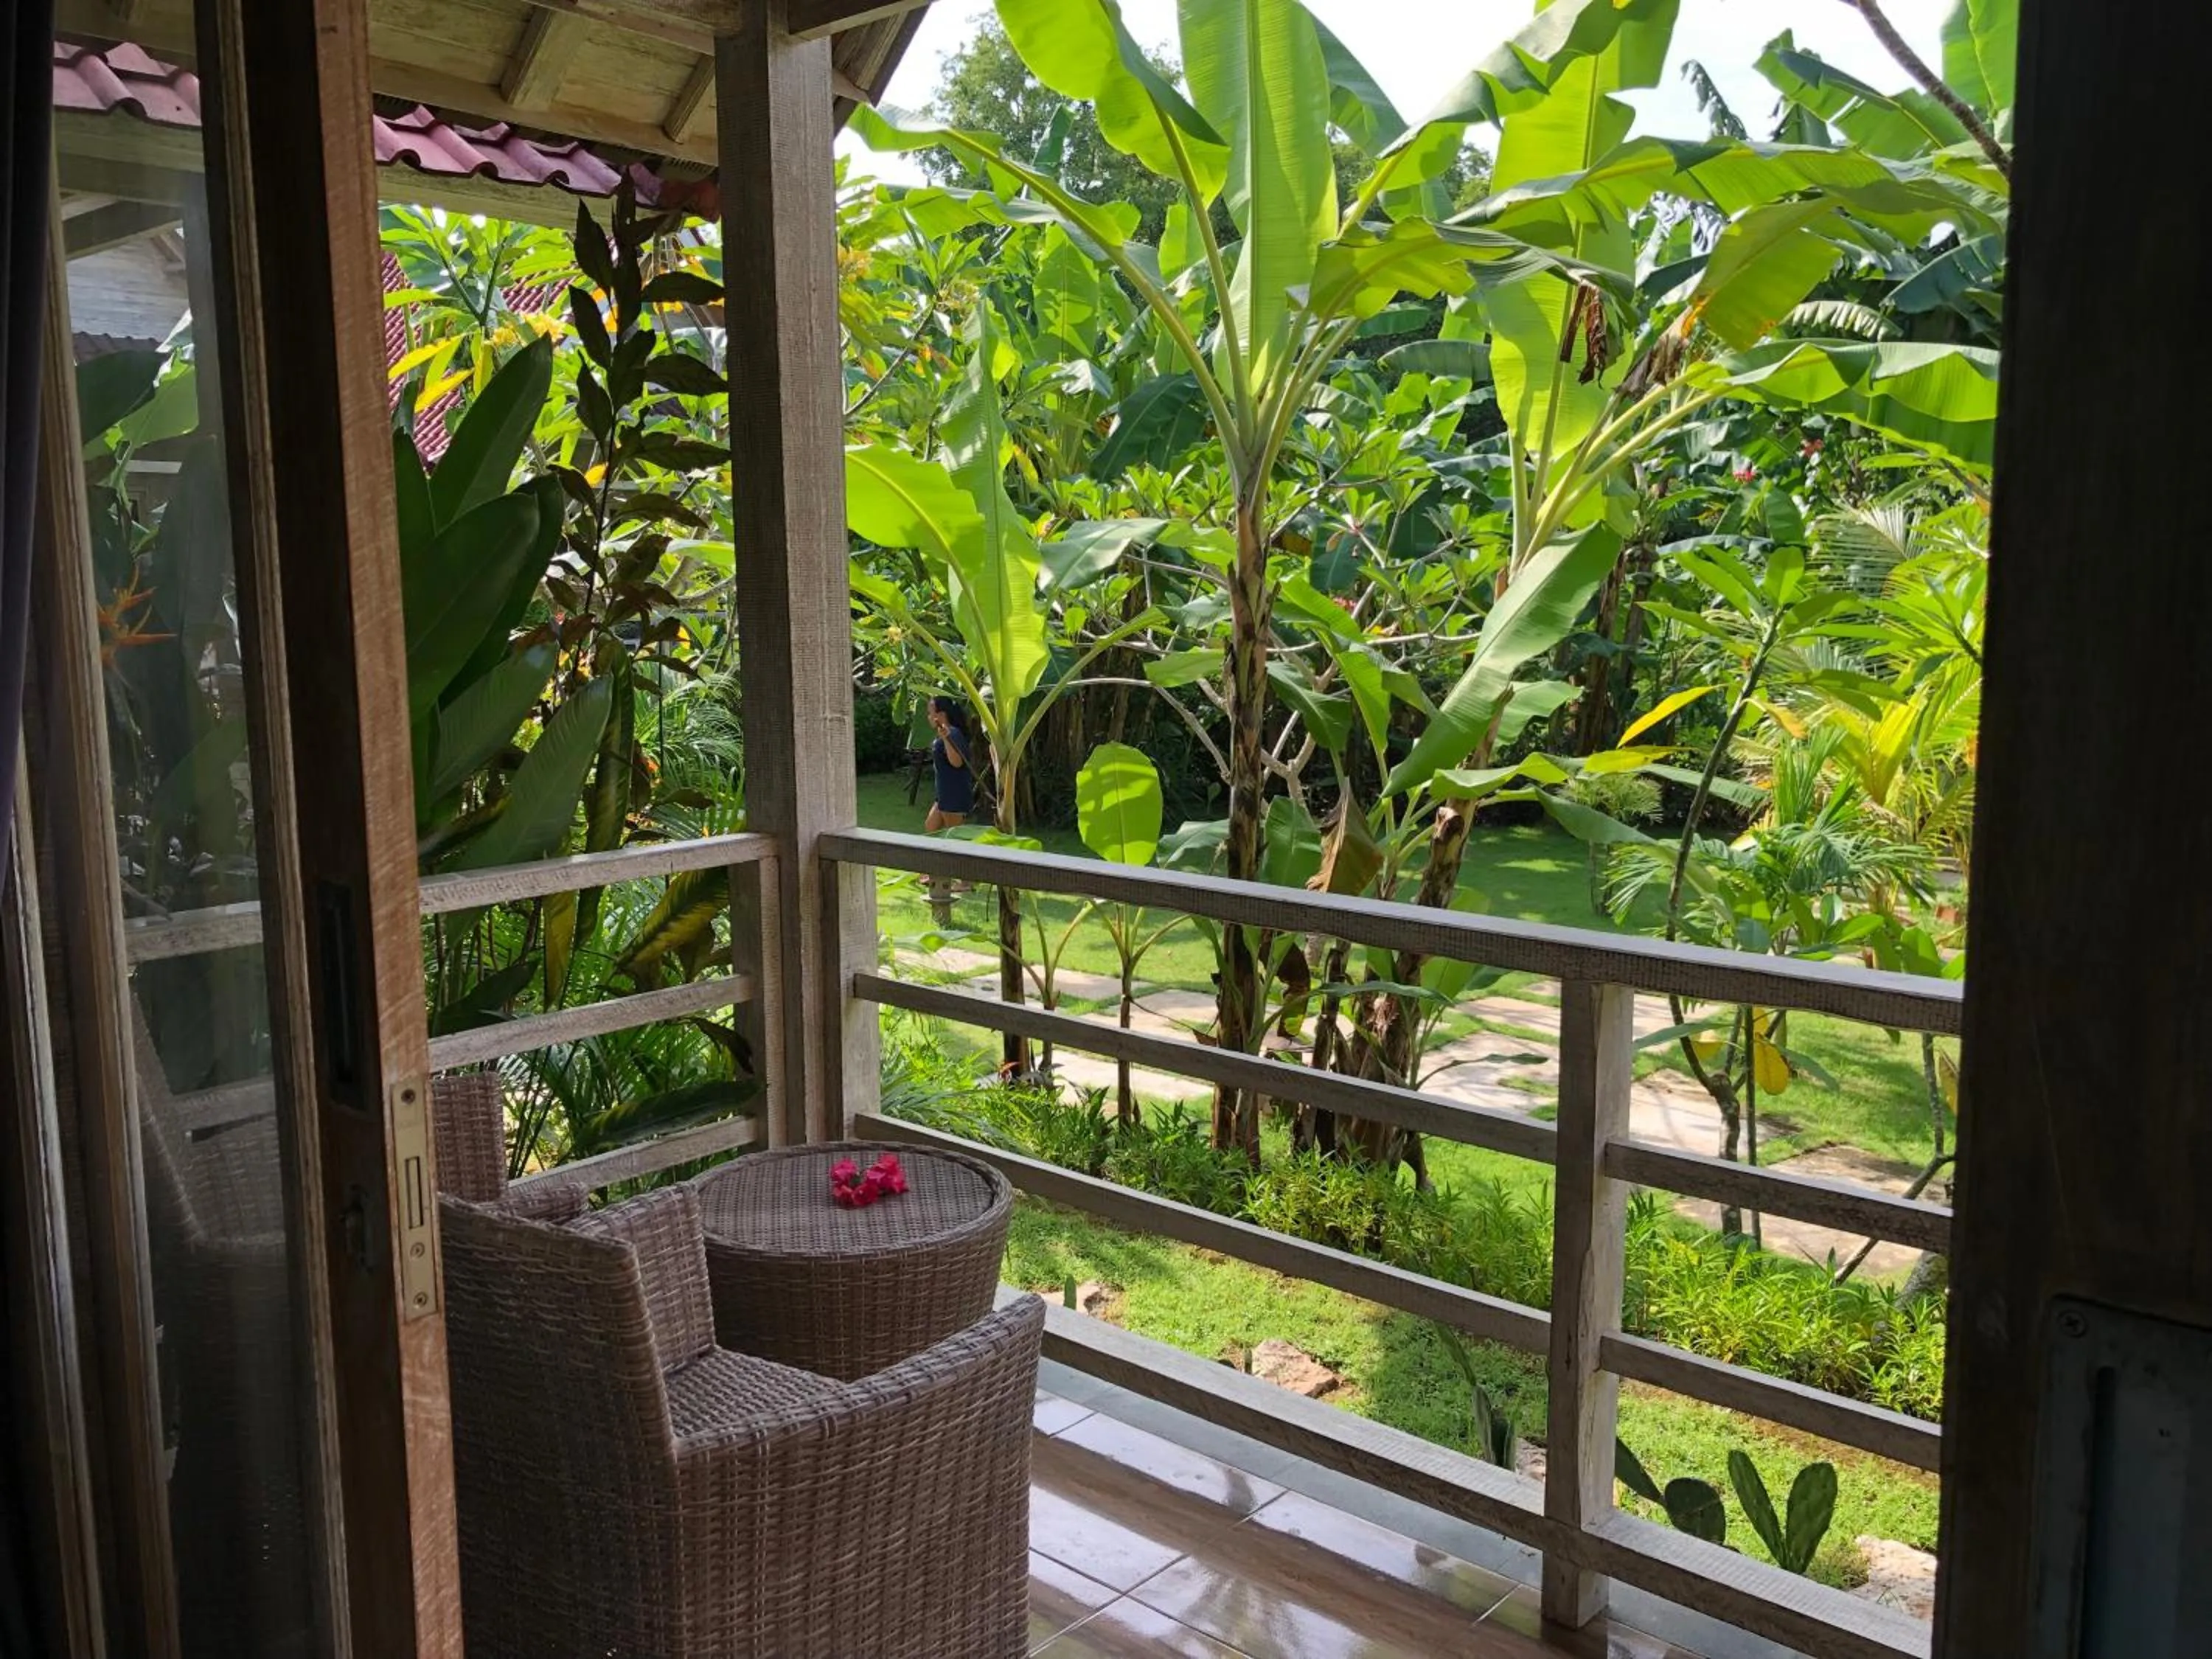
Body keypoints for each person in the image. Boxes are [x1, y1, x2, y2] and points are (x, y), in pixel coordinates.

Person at [924, 696, 972, 924]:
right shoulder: (946, 733)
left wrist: (946, 741)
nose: (928, 717)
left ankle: (966, 880)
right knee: (931, 827)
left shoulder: (952, 734)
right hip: (943, 793)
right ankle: (932, 873)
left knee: (957, 837)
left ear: (941, 714)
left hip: (954, 793)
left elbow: (957, 763)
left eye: (930, 712)